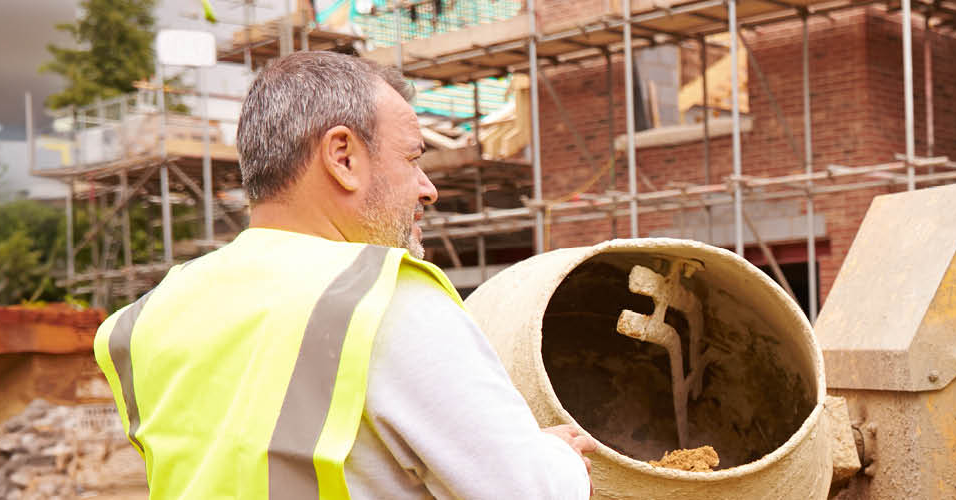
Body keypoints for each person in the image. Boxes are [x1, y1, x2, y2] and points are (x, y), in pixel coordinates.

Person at [90, 51, 595, 498]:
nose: (428, 188)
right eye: (413, 158)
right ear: (343, 156)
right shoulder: (381, 299)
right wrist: (556, 460)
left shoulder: (148, 317)